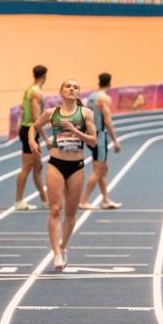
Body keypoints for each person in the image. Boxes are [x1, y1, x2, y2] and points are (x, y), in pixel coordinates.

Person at [28, 80, 97, 271]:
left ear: (78, 93)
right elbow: (33, 127)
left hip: (76, 165)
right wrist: (33, 142)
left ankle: (64, 247)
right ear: (60, 91)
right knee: (55, 210)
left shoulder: (85, 113)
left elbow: (93, 141)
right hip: (56, 164)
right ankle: (56, 252)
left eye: (76, 87)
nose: (72, 89)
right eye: (68, 86)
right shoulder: (52, 113)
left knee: (71, 212)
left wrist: (76, 131)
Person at [79, 73, 122, 210]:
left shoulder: (91, 97)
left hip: (90, 134)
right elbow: (107, 120)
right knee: (98, 170)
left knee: (103, 169)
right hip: (100, 136)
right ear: (110, 83)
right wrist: (115, 140)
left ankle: (105, 200)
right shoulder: (104, 98)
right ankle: (83, 201)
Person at [15, 65, 50, 211]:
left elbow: (23, 111)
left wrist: (20, 127)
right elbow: (37, 118)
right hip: (30, 130)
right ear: (44, 76)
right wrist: (46, 138)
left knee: (38, 166)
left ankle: (44, 200)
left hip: (27, 129)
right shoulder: (36, 92)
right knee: (27, 167)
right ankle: (19, 201)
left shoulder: (29, 90)